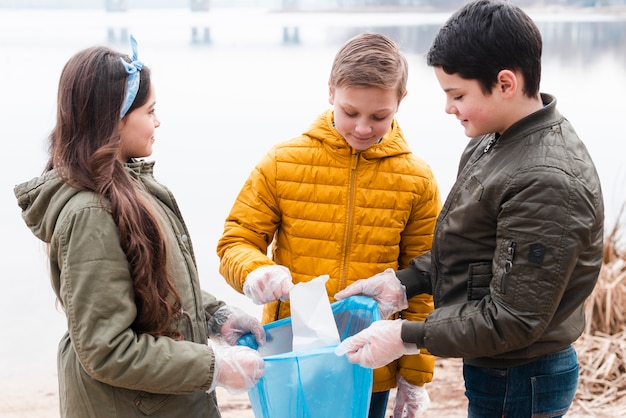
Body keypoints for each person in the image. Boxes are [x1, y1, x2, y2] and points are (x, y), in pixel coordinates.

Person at [334, 1, 605, 417]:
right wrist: (404, 282)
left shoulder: (546, 180)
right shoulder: (491, 140)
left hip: (524, 375)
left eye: (457, 94)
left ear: (505, 83)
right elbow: (476, 250)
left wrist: (407, 336)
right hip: (494, 364)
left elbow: (513, 318)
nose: (448, 107)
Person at [14, 36, 265, 418]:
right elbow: (107, 349)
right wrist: (214, 368)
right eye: (150, 111)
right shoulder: (91, 216)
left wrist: (215, 315)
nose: (158, 121)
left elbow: (152, 280)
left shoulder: (131, 189)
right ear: (114, 118)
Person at [216, 32, 441, 417]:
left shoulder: (416, 179)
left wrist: (414, 378)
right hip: (291, 361)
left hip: (371, 369)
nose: (363, 128)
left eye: (379, 116)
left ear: (400, 102)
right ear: (330, 92)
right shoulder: (282, 163)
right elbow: (236, 241)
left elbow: (424, 284)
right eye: (351, 112)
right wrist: (255, 272)